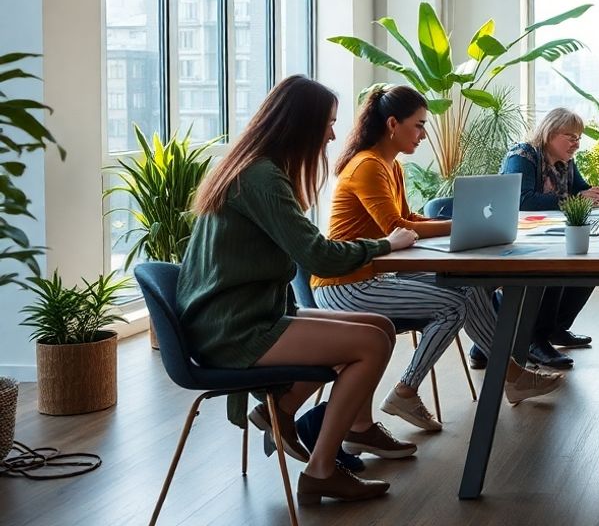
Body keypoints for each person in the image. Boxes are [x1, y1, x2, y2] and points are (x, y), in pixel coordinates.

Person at [176, 76, 417, 505]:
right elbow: (317, 255)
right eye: (327, 123)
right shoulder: (261, 178)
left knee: (380, 325)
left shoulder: (254, 168)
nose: (331, 133)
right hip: (236, 329)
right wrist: (385, 244)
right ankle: (321, 470)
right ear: (301, 124)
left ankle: (283, 413)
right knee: (371, 346)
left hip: (250, 312)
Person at [314, 84, 562, 430]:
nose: (424, 134)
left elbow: (410, 219)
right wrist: (460, 224)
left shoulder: (390, 166)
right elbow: (395, 226)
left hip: (374, 275)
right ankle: (405, 390)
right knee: (453, 305)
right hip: (346, 284)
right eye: (418, 125)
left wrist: (461, 224)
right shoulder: (367, 166)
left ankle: (511, 374)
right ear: (391, 125)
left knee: (470, 287)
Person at [498, 108, 599, 368]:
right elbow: (522, 201)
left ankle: (555, 329)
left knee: (592, 266)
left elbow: (579, 190)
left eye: (578, 138)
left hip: (545, 233)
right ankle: (534, 339)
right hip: (517, 236)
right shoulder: (522, 155)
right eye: (570, 136)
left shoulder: (566, 161)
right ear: (549, 133)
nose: (576, 143)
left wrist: (593, 194)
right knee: (557, 265)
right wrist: (576, 199)